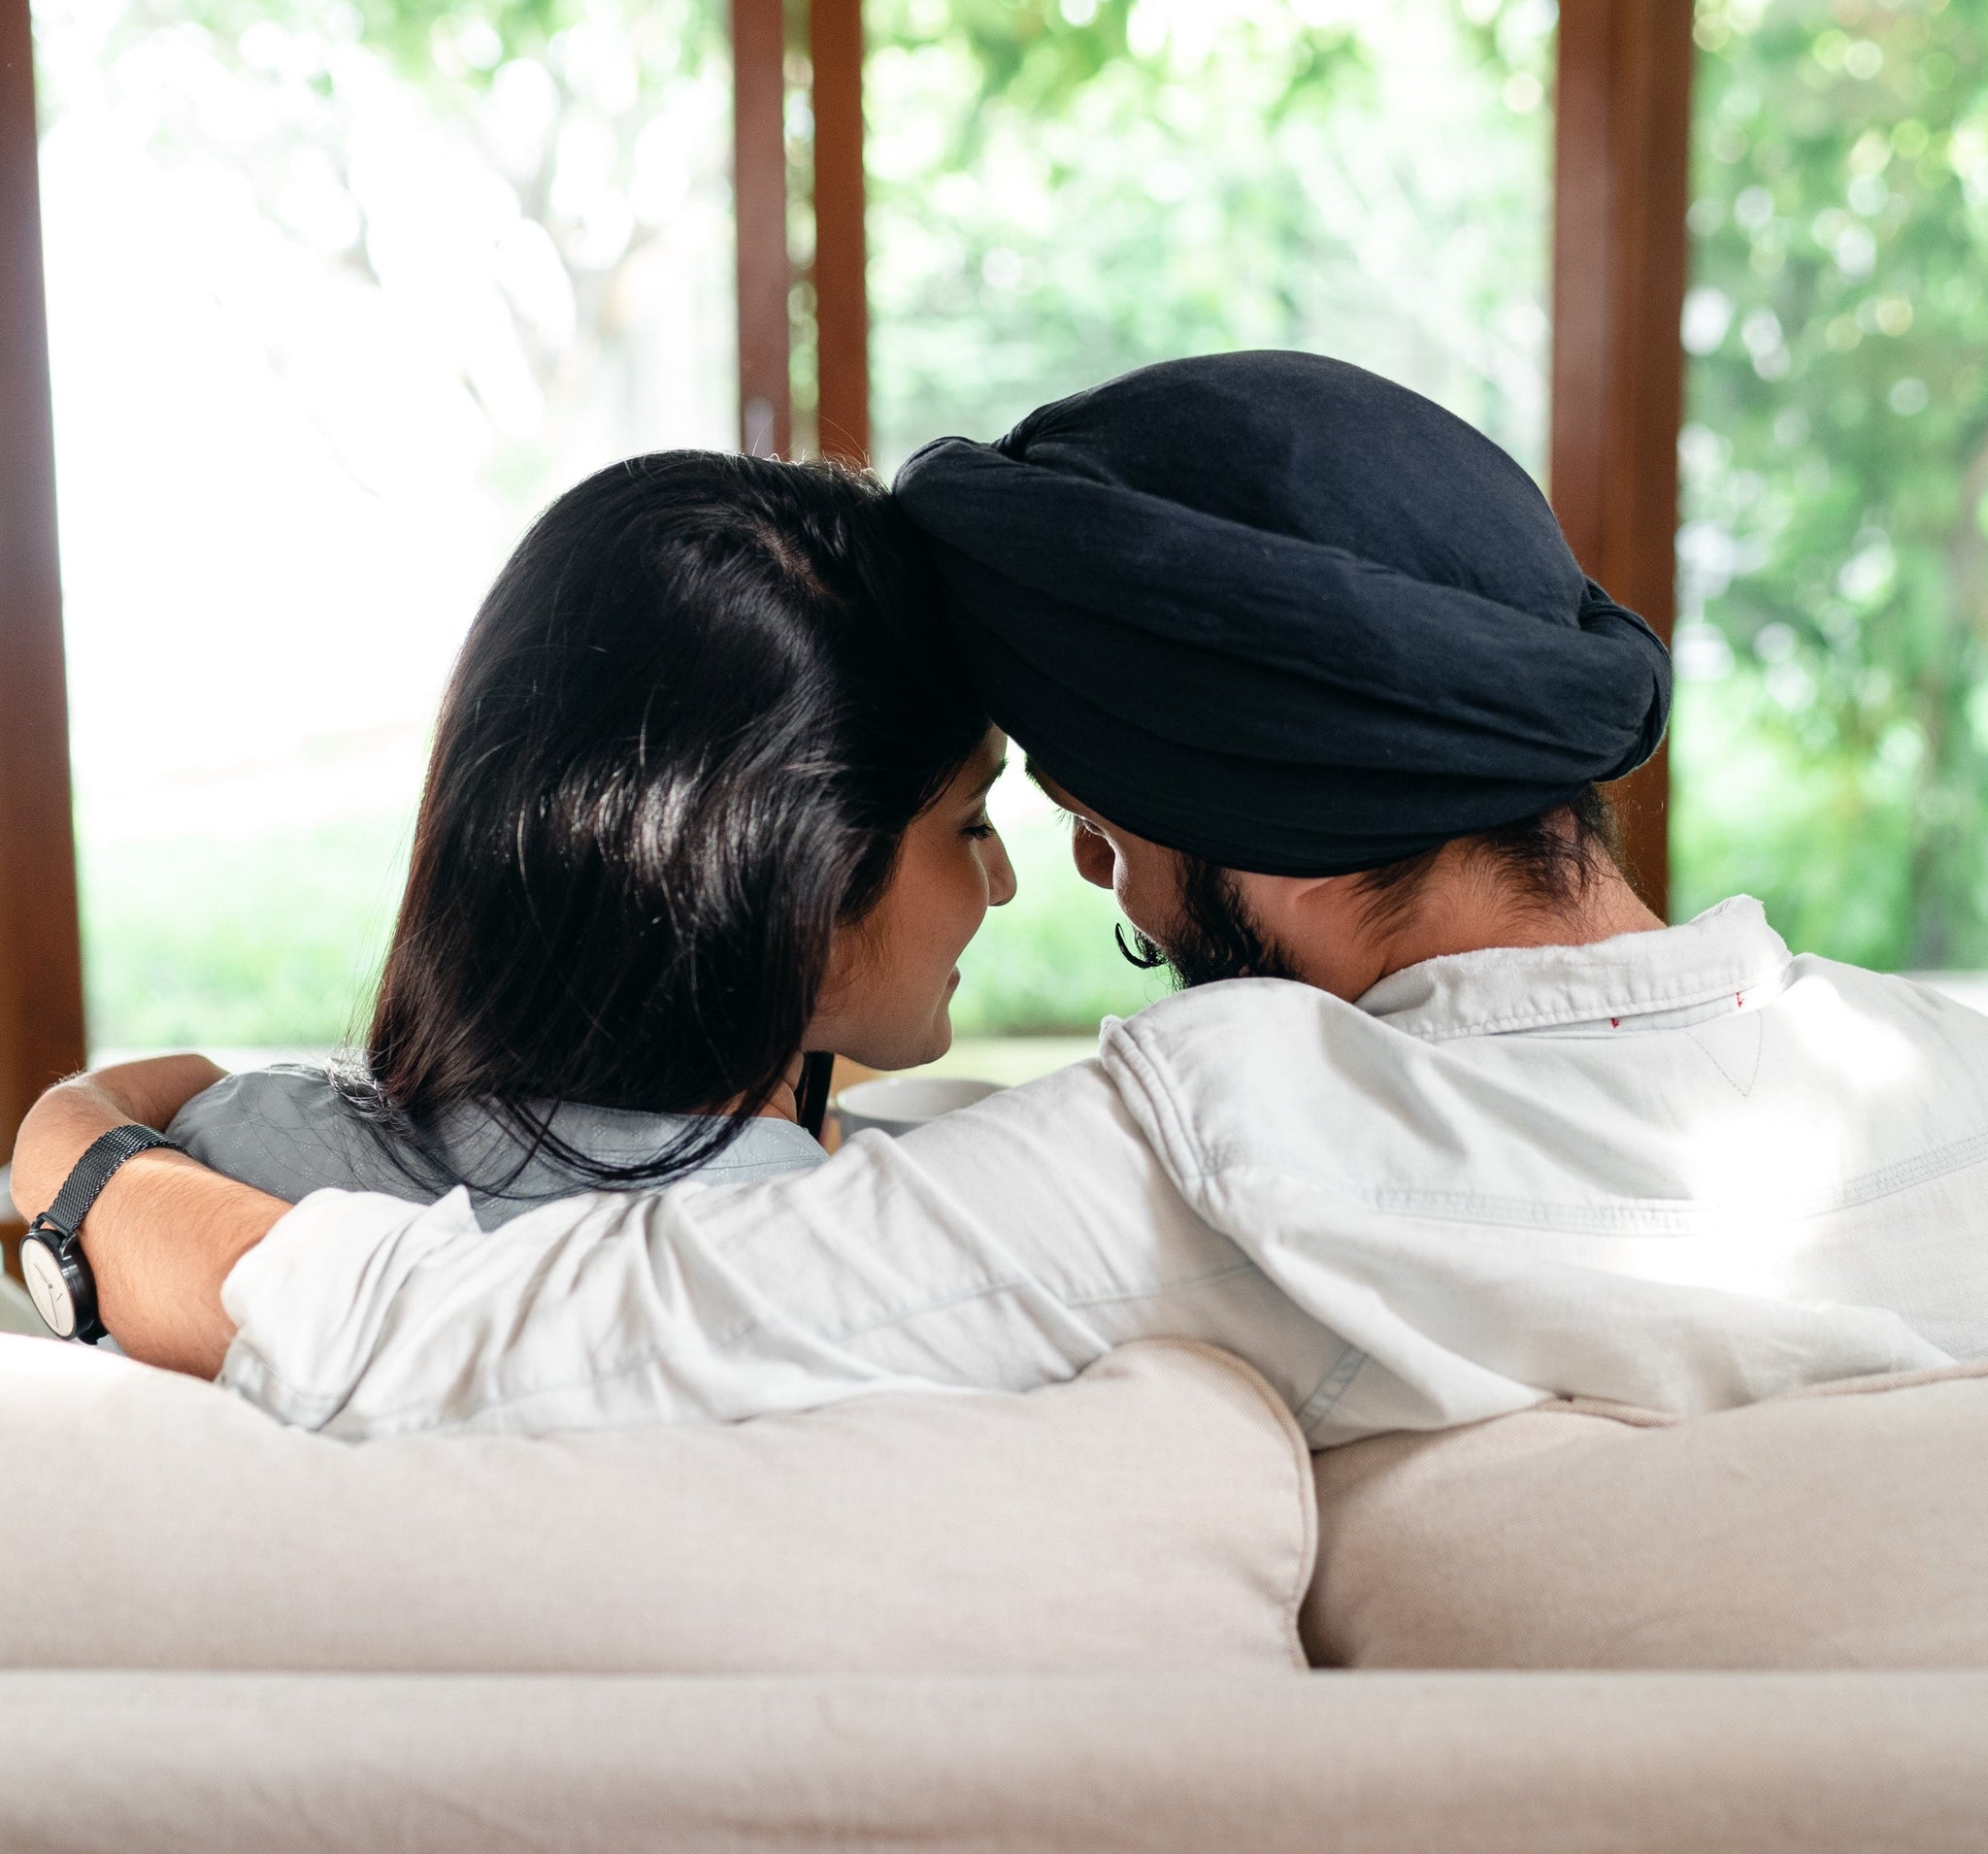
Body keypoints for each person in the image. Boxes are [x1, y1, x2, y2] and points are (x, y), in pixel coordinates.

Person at [17, 353, 1988, 1445]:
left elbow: (479, 1333)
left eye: (1109, 833)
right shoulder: (1943, 1061)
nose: (1073, 873)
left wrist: (77, 1154)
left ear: (1267, 824)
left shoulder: (1220, 1156)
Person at [22, 445, 1013, 1258]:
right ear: (804, 876)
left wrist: (78, 1125)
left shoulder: (234, 1153)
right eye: (971, 821)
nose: (1002, 879)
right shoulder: (871, 1262)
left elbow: (167, 1084)